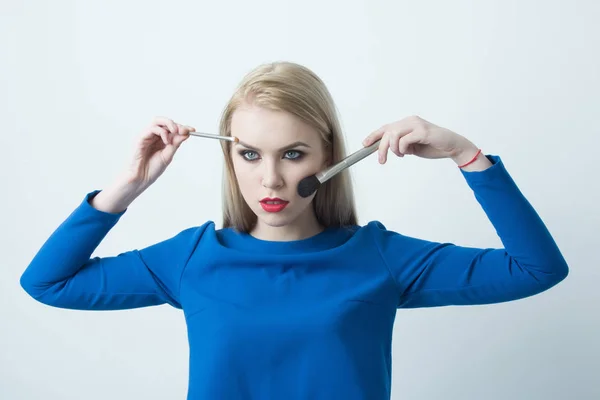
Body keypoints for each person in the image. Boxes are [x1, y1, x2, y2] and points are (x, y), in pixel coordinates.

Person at [20, 61, 569, 400]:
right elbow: (47, 283)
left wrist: (464, 154)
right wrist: (126, 186)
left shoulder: (378, 258)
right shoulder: (192, 258)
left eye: (294, 154)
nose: (271, 178)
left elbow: (538, 269)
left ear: (329, 157)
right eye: (251, 154)